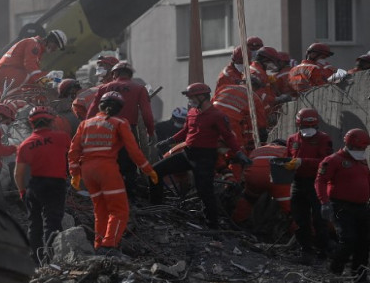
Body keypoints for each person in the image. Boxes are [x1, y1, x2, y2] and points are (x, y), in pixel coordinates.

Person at [153, 83, 251, 228]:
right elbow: (185, 132)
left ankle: (213, 225)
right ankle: (156, 208)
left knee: (205, 192)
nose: (189, 100)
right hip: (188, 154)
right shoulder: (192, 112)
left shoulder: (217, 116)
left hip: (205, 158)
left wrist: (239, 153)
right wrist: (169, 141)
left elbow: (228, 137)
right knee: (155, 171)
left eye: (191, 97)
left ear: (202, 96)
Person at [70, 92, 157, 255]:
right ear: (119, 109)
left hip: (88, 171)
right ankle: (109, 245)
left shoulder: (85, 124)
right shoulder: (119, 122)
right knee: (119, 210)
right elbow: (133, 150)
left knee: (100, 210)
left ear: (100, 105)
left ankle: (99, 244)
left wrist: (75, 174)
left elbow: (73, 151)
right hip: (107, 169)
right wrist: (148, 169)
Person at [85, 61, 155, 195]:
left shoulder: (104, 88)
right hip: (128, 131)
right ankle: (129, 197)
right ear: (130, 74)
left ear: (114, 74)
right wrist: (150, 132)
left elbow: (91, 113)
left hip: (106, 130)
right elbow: (147, 114)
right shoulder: (139, 88)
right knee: (129, 165)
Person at [15, 106, 70, 263]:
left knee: (34, 223)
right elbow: (73, 155)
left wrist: (22, 192)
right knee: (52, 222)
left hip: (34, 186)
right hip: (55, 185)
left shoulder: (25, 144)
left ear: (31, 124)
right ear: (51, 121)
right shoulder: (62, 137)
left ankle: (35, 260)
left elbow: (18, 173)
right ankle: (51, 260)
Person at [317, 129, 370, 283]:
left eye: (364, 148)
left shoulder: (361, 161)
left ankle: (360, 277)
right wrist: (324, 202)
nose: (361, 151)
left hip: (362, 208)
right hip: (342, 207)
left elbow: (368, 181)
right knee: (348, 240)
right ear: (349, 144)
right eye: (359, 148)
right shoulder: (333, 160)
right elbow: (320, 181)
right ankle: (335, 269)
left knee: (364, 242)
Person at [282, 108, 334, 261]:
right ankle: (306, 250)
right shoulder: (292, 139)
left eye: (310, 127)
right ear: (299, 125)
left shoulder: (324, 139)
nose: (307, 130)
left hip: (316, 183)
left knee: (319, 219)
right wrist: (286, 166)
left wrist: (303, 162)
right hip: (298, 183)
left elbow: (326, 163)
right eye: (304, 127)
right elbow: (287, 158)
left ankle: (323, 251)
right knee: (300, 219)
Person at [0, 29, 67, 92]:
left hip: (0, 73)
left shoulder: (35, 45)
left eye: (56, 49)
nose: (54, 50)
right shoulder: (34, 45)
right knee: (36, 85)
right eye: (55, 46)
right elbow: (32, 70)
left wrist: (51, 79)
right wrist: (51, 78)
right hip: (7, 72)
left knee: (13, 101)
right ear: (50, 39)